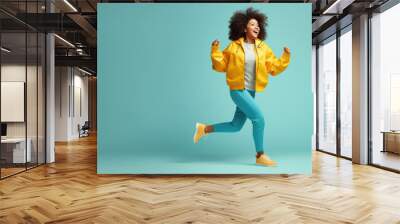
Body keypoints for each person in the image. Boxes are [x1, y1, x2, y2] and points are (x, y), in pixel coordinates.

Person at [193, 7, 291, 167]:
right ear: (244, 28)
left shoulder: (263, 48)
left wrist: (285, 56)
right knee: (259, 119)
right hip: (237, 90)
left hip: (251, 91)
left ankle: (203, 129)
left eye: (258, 25)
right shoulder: (234, 47)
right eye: (253, 24)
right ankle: (260, 155)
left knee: (236, 126)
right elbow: (221, 65)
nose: (257, 27)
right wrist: (215, 50)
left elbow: (273, 67)